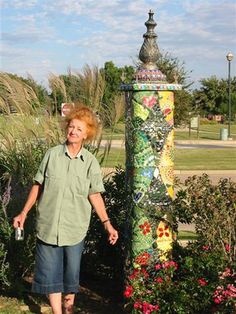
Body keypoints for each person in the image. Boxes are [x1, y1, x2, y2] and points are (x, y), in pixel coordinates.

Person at [13, 105, 118, 314]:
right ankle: (57, 312)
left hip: (75, 228)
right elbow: (38, 186)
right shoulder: (51, 155)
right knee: (51, 275)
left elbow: (95, 194)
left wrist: (107, 224)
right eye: (71, 127)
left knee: (71, 276)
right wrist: (23, 213)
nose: (73, 132)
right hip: (48, 225)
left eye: (79, 129)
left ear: (87, 134)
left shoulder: (90, 162)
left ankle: (68, 310)